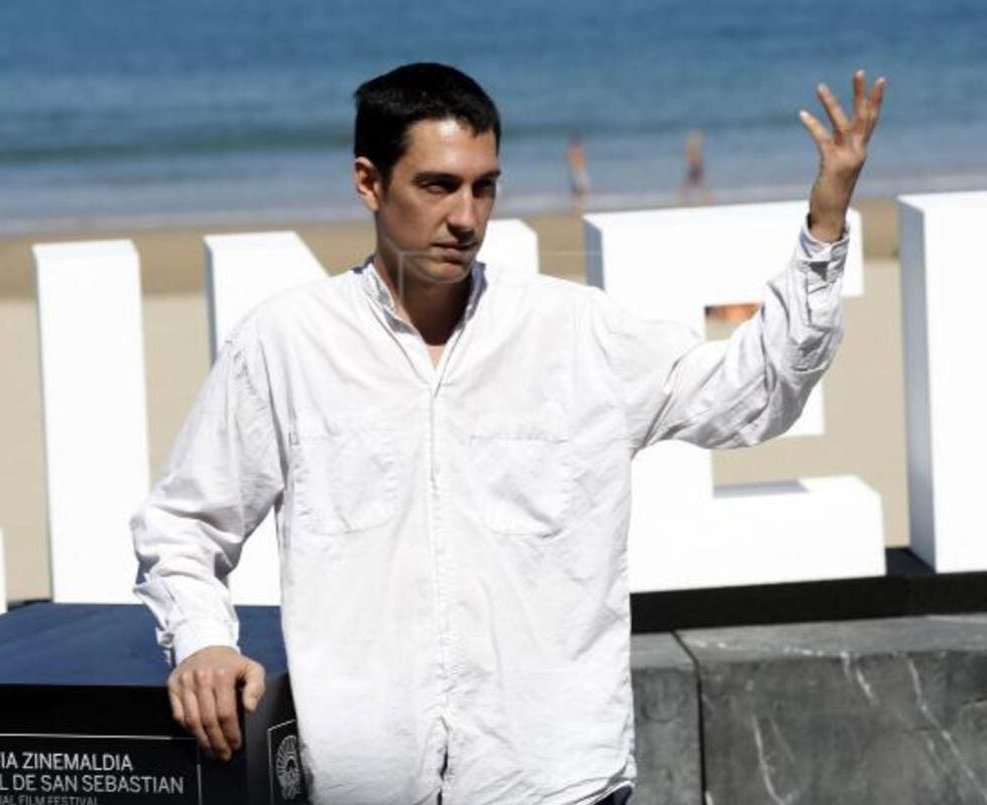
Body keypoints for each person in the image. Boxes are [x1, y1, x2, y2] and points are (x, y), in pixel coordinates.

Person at [131, 63, 885, 804]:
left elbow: (753, 398)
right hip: (366, 782)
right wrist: (203, 640)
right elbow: (187, 524)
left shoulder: (576, 333)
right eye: (438, 185)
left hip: (557, 779)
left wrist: (825, 225)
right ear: (368, 183)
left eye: (483, 186)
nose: (466, 217)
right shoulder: (287, 343)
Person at [567, 134, 591, 211]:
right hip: (578, 171)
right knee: (580, 188)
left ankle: (578, 204)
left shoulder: (575, 150)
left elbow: (583, 160)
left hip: (579, 170)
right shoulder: (574, 151)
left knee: (580, 188)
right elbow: (575, 161)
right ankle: (578, 205)